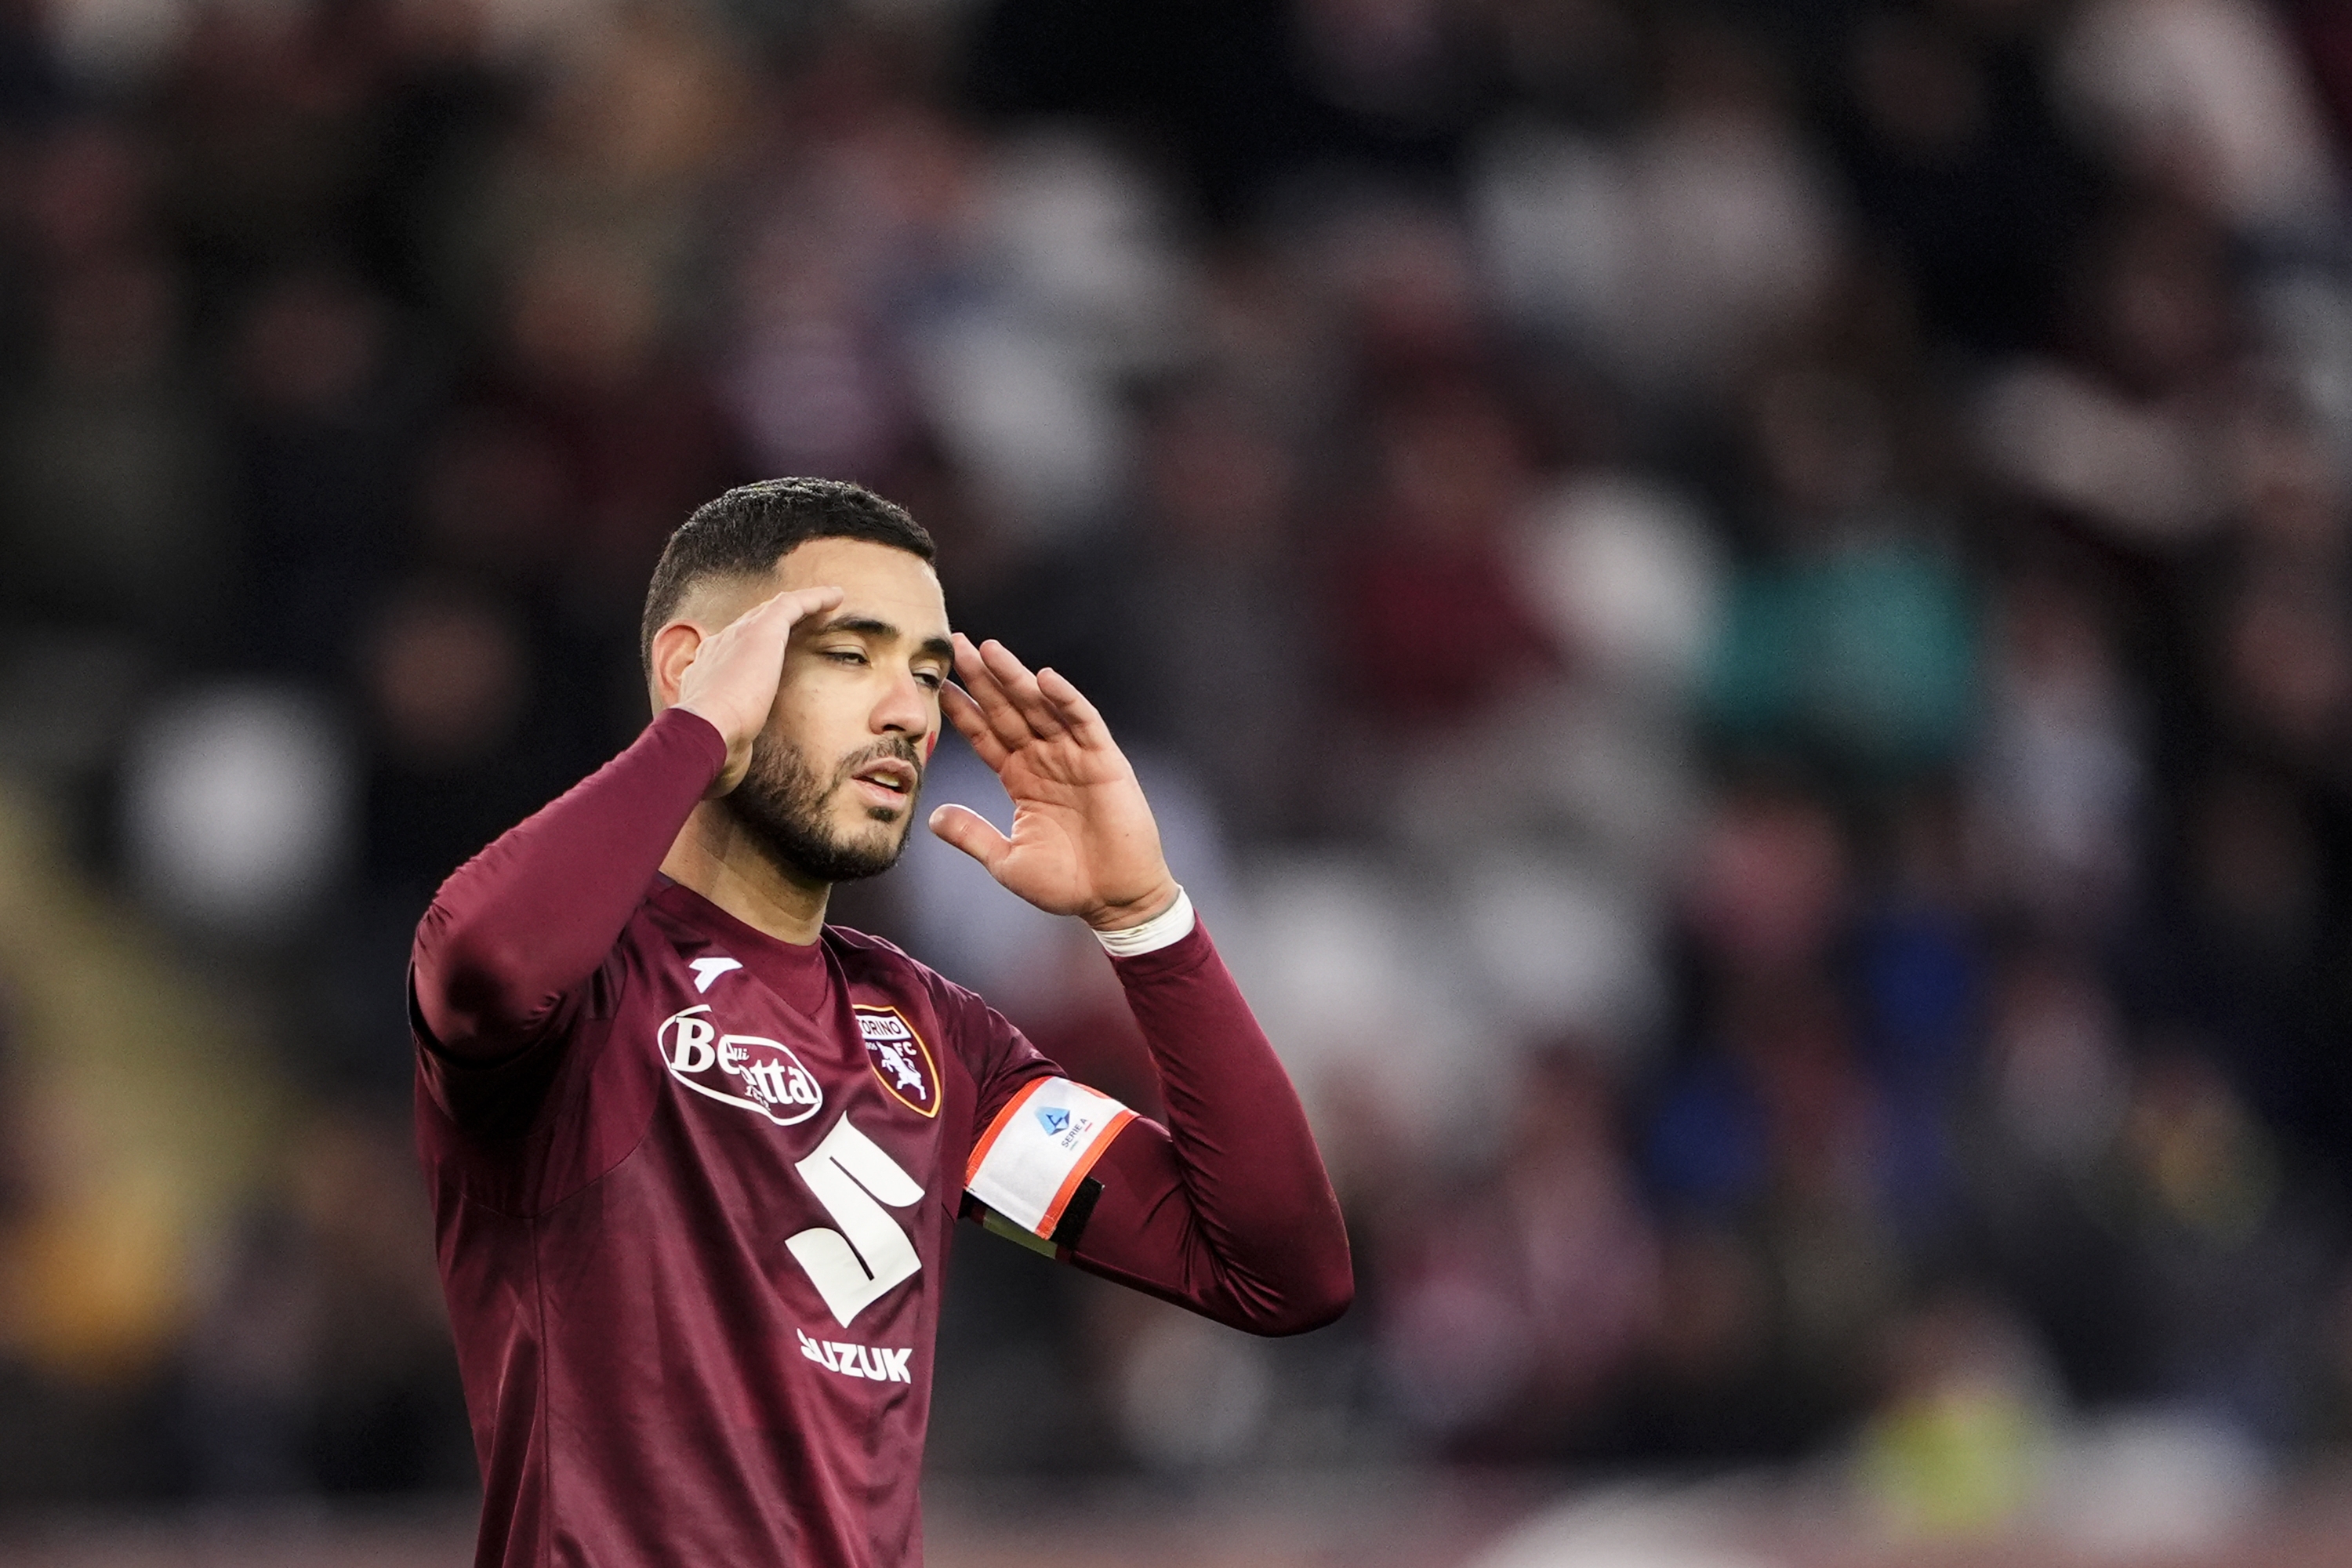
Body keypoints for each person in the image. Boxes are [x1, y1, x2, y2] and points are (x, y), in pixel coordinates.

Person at [408, 477, 1352, 1567]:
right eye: (850, 654)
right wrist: (697, 734)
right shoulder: (583, 989)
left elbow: (1280, 1273)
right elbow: (484, 962)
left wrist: (1145, 922)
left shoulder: (932, 1041)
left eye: (929, 671)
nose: (909, 709)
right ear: (693, 667)